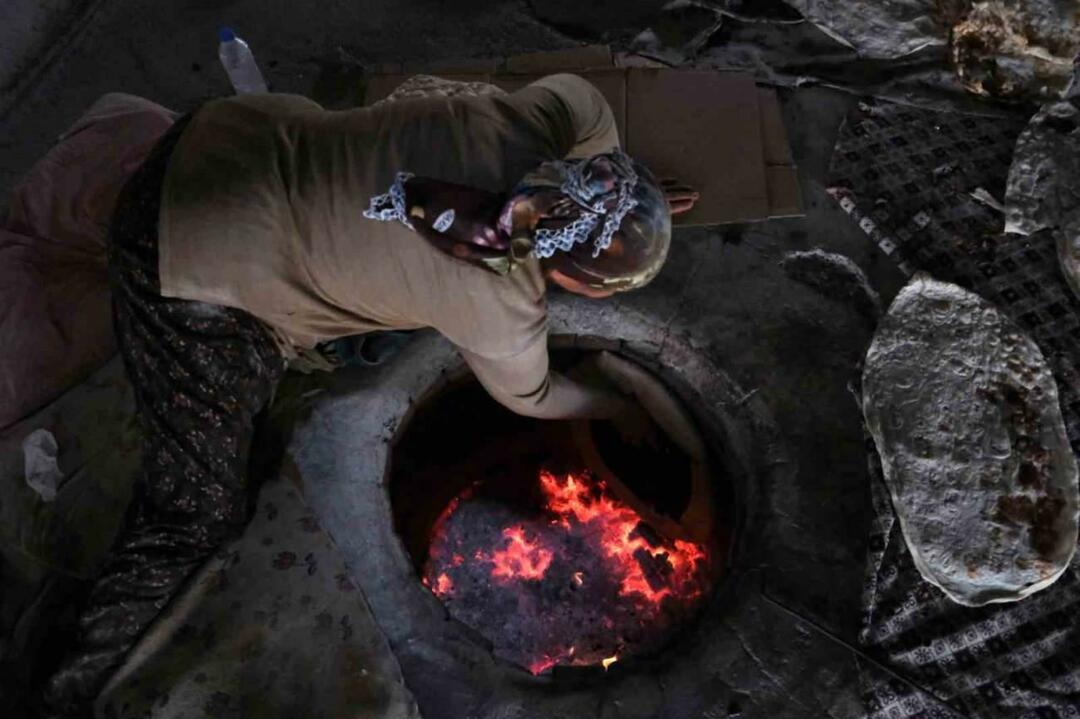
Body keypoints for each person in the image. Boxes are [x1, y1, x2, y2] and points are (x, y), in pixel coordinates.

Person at [38, 73, 697, 715]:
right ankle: (68, 689)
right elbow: (535, 395)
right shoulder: (497, 296)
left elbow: (591, 123)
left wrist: (628, 206)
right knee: (194, 514)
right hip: (183, 254)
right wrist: (614, 403)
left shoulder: (548, 115)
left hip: (220, 141)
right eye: (603, 286)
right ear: (571, 278)